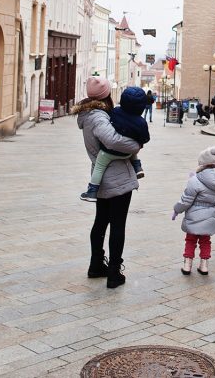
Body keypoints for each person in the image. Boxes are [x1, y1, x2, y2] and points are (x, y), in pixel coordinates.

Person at [73, 77, 142, 289]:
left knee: (101, 222)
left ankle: (96, 265)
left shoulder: (89, 114)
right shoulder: (99, 117)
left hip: (102, 175)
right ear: (106, 96)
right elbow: (112, 140)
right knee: (117, 225)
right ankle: (114, 272)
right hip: (117, 178)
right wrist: (135, 145)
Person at [80, 87, 149, 202]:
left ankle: (92, 191)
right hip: (127, 154)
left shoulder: (115, 112)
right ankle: (137, 166)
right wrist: (139, 144)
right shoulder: (141, 122)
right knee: (132, 141)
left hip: (108, 153)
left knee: (99, 166)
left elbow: (112, 139)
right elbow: (145, 138)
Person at [172, 146, 215, 276]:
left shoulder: (195, 180)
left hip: (194, 216)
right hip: (210, 214)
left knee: (190, 240)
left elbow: (186, 200)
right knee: (205, 241)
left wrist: (176, 209)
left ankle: (187, 265)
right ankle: (204, 266)